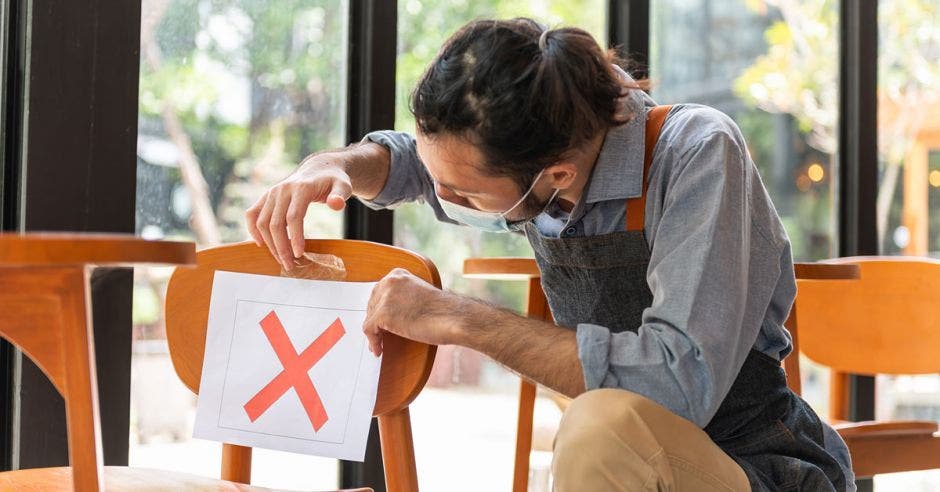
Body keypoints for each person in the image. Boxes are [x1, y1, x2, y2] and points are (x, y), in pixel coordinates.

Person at [246, 18, 854, 492]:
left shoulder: (696, 154)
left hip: (753, 464)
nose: (443, 197)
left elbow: (675, 383)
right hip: (622, 468)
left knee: (599, 427)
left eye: (465, 197)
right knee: (596, 434)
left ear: (554, 177)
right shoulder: (543, 152)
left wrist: (461, 318)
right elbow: (414, 163)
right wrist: (333, 166)